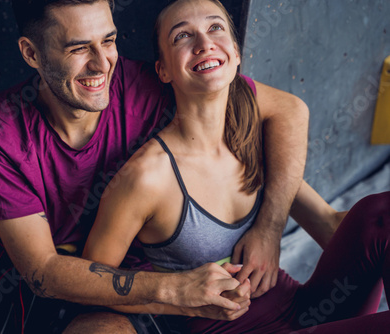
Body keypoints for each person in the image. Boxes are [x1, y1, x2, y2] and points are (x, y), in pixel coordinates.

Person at [0, 0, 310, 332]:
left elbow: (288, 110)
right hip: (14, 263)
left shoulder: (150, 81)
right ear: (31, 53)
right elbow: (43, 272)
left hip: (113, 286)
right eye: (77, 48)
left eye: (107, 41)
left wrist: (269, 227)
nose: (100, 63)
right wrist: (176, 287)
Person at [83, 0, 390, 332]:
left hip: (304, 309)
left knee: (380, 212)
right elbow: (89, 283)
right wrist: (178, 294)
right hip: (230, 328)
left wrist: (269, 230)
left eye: (215, 28)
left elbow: (294, 112)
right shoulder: (147, 176)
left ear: (236, 52)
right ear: (163, 70)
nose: (204, 44)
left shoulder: (252, 135)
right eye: (182, 36)